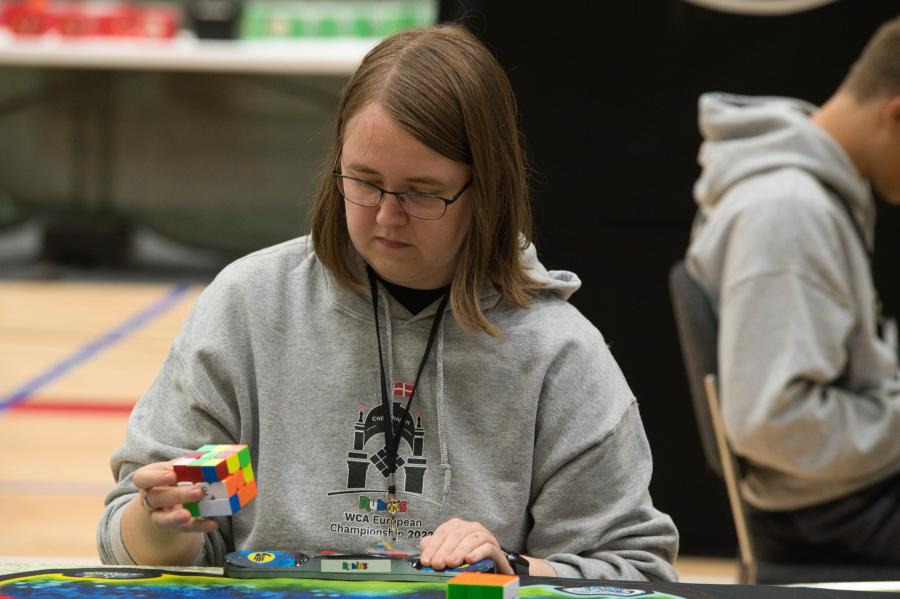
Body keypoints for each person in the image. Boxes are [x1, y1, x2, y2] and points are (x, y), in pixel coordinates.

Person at [96, 24, 678, 581]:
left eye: (423, 193)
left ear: (488, 190)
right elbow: (130, 545)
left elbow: (635, 572)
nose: (386, 216)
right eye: (365, 181)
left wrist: (513, 568)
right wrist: (162, 524)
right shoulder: (248, 306)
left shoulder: (558, 352)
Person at [685, 15, 900, 564]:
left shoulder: (811, 193)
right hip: (832, 514)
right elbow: (772, 423)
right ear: (896, 114)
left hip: (846, 491)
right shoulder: (787, 212)